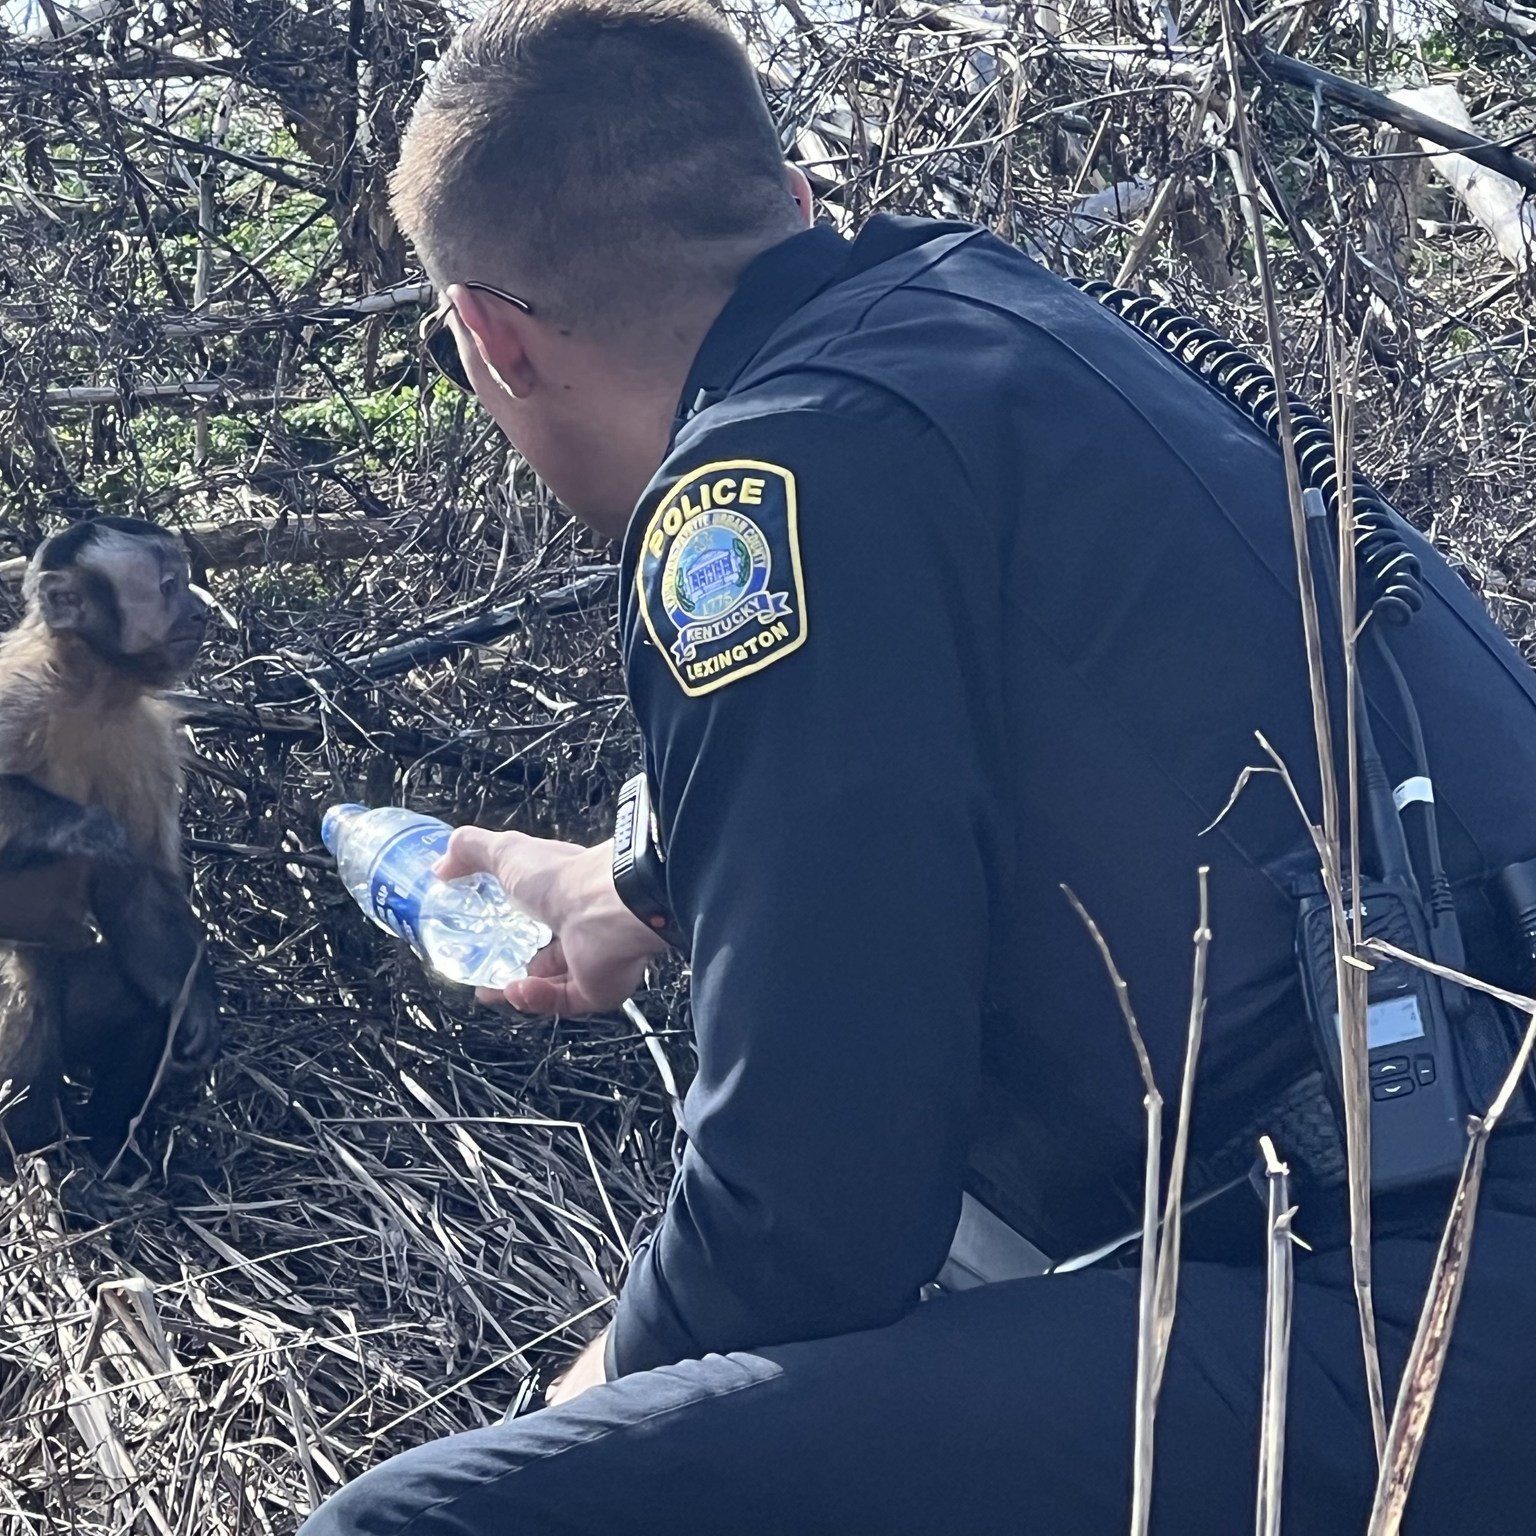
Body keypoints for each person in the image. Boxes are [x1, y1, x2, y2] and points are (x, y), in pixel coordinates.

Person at [300, 1, 1536, 1530]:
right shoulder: (1001, 328)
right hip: (1437, 1205)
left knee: (426, 1523)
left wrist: (596, 1398)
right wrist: (617, 881)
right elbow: (1011, 737)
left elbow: (810, 1215)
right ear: (799, 206)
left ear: (487, 337)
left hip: (1422, 1306)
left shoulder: (750, 498)